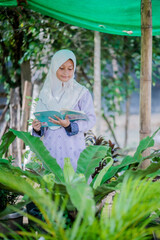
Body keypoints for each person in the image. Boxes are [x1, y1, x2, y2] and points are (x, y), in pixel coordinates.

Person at [32, 49, 96, 171]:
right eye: (61, 68)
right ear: (54, 67)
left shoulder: (81, 93)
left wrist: (70, 125)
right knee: (52, 183)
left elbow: (91, 119)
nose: (66, 72)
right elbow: (42, 122)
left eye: (70, 68)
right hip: (51, 148)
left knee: (74, 183)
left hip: (73, 148)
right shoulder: (45, 93)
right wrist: (37, 127)